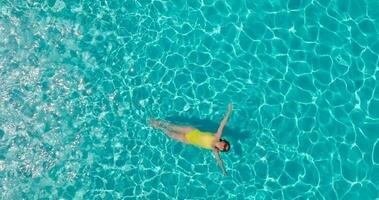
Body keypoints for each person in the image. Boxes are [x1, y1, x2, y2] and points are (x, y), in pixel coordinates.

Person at [149, 103, 233, 176]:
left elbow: (219, 160)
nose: (223, 147)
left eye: (224, 149)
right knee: (172, 127)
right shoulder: (217, 136)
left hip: (188, 140)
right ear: (224, 142)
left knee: (171, 134)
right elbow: (222, 124)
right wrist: (229, 111)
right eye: (225, 145)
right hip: (190, 131)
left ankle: (158, 127)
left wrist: (223, 171)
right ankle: (156, 121)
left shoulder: (214, 150)